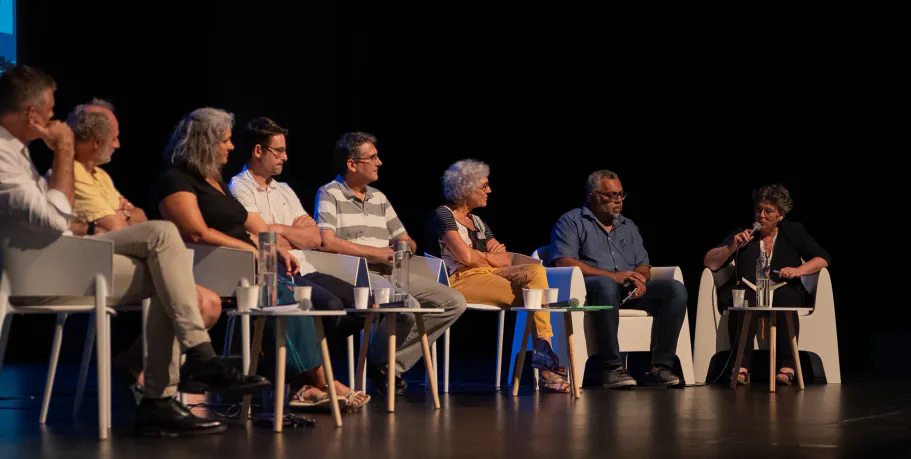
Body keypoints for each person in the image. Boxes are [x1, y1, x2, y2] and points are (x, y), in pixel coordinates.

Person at [0, 64, 268, 437]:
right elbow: (56, 221)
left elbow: (119, 219)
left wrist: (112, 218)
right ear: (31, 115)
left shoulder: (21, 154)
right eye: (49, 113)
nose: (56, 122)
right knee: (161, 237)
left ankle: (163, 398)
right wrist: (63, 151)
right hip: (43, 269)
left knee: (165, 264)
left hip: (65, 256)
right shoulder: (3, 155)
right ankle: (195, 363)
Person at [155, 108, 367, 409]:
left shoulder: (213, 182)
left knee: (294, 296)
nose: (230, 146)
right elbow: (196, 232)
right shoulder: (176, 179)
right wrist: (253, 249)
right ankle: (320, 381)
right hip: (217, 267)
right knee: (283, 294)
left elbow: (245, 230)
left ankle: (305, 386)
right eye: (224, 141)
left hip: (247, 265)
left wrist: (271, 246)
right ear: (205, 141)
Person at [63, 99, 224, 390]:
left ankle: (142, 371)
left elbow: (134, 217)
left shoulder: (100, 176)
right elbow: (120, 228)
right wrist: (124, 215)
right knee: (163, 235)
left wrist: (123, 215)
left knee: (209, 303)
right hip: (90, 266)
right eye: (114, 138)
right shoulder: (71, 174)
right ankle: (177, 374)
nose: (118, 145)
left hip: (119, 258)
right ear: (98, 140)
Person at [227, 117, 369, 407]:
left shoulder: (284, 190)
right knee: (327, 305)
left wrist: (276, 229)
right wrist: (285, 234)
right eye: (278, 151)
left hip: (306, 266)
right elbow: (260, 236)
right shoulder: (239, 187)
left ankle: (302, 379)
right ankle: (308, 383)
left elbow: (314, 237)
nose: (285, 157)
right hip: (275, 271)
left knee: (361, 305)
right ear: (258, 151)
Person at [315, 132, 466, 395]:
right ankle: (380, 365)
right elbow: (327, 242)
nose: (379, 162)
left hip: (392, 270)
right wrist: (376, 253)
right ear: (352, 164)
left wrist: (404, 246)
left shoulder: (379, 198)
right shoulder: (330, 193)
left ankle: (386, 364)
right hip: (357, 274)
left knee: (454, 302)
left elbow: (405, 238)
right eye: (372, 158)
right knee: (407, 307)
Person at [425, 159, 570, 392]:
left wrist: (482, 257)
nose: (489, 191)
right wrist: (486, 256)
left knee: (535, 271)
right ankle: (545, 361)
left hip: (490, 274)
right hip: (460, 279)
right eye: (483, 187)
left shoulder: (479, 222)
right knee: (534, 299)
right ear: (465, 188)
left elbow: (506, 259)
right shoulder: (443, 215)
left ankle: (542, 351)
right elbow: (466, 259)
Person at [550, 169, 687, 388]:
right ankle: (611, 368)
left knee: (675, 289)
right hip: (589, 291)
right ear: (593, 195)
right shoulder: (571, 221)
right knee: (606, 285)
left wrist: (640, 280)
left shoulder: (628, 226)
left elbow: (643, 263)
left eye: (621, 195)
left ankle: (661, 366)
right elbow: (563, 262)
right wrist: (612, 276)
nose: (618, 201)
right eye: (611, 195)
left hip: (627, 289)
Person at [703, 184, 830, 385]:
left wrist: (798, 271)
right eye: (758, 210)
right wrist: (732, 246)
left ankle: (787, 366)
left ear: (780, 215)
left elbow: (822, 259)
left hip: (782, 287)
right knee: (743, 299)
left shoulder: (793, 231)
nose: (761, 215)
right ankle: (741, 366)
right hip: (748, 288)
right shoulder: (743, 232)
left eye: (768, 211)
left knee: (786, 298)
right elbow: (710, 261)